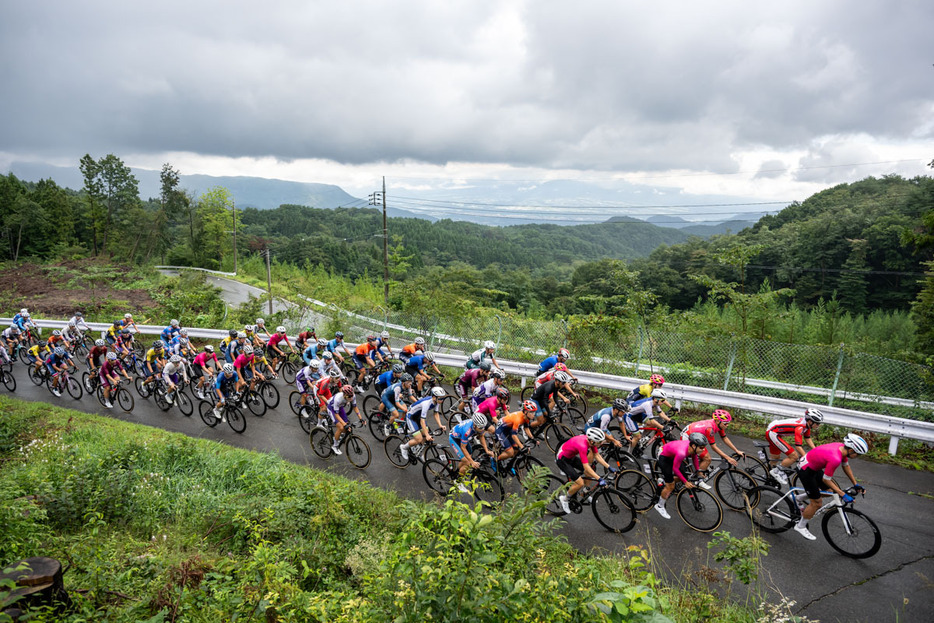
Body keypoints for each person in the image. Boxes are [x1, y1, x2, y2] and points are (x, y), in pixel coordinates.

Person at [793, 434, 868, 540]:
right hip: (806, 470)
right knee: (817, 503)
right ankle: (800, 526)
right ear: (851, 450)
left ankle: (799, 498)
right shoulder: (835, 458)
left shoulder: (842, 448)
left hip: (813, 465)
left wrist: (855, 484)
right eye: (858, 454)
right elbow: (826, 479)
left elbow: (846, 466)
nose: (857, 457)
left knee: (829, 491)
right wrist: (842, 494)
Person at [681, 409, 745, 488]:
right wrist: (727, 458)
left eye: (728, 423)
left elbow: (724, 438)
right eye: (726, 423)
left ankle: (699, 469)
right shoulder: (710, 428)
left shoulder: (718, 425)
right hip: (687, 437)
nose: (727, 425)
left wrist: (736, 450)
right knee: (707, 458)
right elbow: (714, 447)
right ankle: (698, 479)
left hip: (694, 434)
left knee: (703, 456)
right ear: (718, 421)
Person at [555, 428, 613, 514]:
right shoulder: (582, 445)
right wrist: (599, 478)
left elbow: (597, 455)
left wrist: (609, 467)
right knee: (580, 482)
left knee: (590, 471)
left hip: (570, 457)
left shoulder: (591, 441)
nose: (601, 444)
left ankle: (585, 492)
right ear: (592, 441)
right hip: (562, 460)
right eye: (599, 442)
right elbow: (586, 467)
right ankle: (564, 499)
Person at [653, 433, 707, 519]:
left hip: (673, 454)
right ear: (693, 445)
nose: (703, 449)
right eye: (701, 447)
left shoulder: (692, 448)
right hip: (664, 456)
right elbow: (675, 469)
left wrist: (698, 472)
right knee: (671, 486)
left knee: (684, 475)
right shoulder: (682, 452)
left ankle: (663, 481)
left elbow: (694, 458)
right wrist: (685, 483)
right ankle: (660, 506)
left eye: (704, 447)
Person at [765, 408, 824, 484]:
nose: (818, 425)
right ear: (810, 421)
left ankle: (767, 476)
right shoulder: (800, 427)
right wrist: (806, 458)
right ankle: (776, 472)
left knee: (775, 457)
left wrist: (816, 450)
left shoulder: (807, 425)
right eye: (817, 423)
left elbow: (807, 438)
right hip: (772, 433)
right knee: (794, 456)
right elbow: (798, 447)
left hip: (775, 432)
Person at [399, 387, 448, 461]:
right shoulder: (426, 403)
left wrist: (440, 425)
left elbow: (436, 413)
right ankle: (404, 447)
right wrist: (427, 435)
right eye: (441, 398)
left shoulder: (436, 401)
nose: (442, 400)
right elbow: (422, 421)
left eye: (443, 398)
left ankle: (419, 452)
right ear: (434, 397)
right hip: (411, 417)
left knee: (425, 437)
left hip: (419, 416)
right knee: (419, 439)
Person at [626, 389, 673, 454]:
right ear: (656, 399)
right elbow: (652, 420)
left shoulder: (655, 402)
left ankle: (640, 439)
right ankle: (629, 453)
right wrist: (663, 427)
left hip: (638, 413)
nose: (663, 402)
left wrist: (671, 420)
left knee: (652, 425)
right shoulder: (648, 404)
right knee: (637, 436)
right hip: (629, 416)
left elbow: (661, 413)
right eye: (662, 400)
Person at [325, 385, 365, 455]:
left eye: (352, 395)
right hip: (332, 409)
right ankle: (335, 446)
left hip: (340, 408)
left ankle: (338, 436)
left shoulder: (352, 396)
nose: (351, 398)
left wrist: (361, 418)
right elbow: (336, 414)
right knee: (341, 427)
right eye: (349, 396)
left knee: (347, 427)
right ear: (345, 395)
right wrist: (344, 424)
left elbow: (355, 407)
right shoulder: (338, 399)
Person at [448, 413, 491, 478]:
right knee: (468, 463)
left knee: (467, 458)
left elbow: (481, 436)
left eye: (483, 427)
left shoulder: (479, 425)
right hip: (454, 439)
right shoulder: (467, 431)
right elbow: (463, 448)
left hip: (462, 437)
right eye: (480, 428)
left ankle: (457, 471)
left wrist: (487, 450)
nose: (482, 429)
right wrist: (472, 462)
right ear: (474, 425)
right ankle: (458, 482)